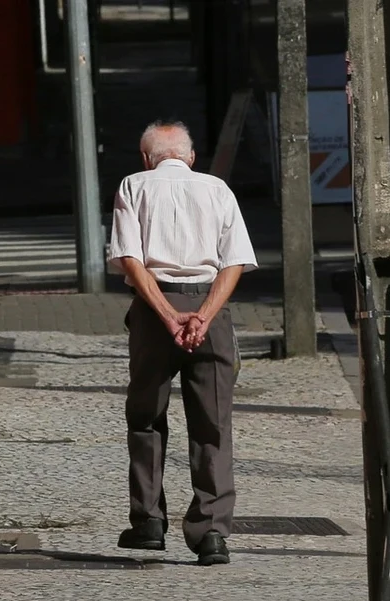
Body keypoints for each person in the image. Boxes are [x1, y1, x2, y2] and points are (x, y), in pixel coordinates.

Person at [107, 120, 258, 565]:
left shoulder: (133, 186)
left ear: (145, 157)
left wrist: (169, 316)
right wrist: (203, 316)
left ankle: (149, 523)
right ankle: (211, 533)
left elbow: (130, 260)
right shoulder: (217, 190)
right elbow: (234, 262)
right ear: (191, 157)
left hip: (156, 313)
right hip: (211, 308)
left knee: (146, 418)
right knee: (212, 424)